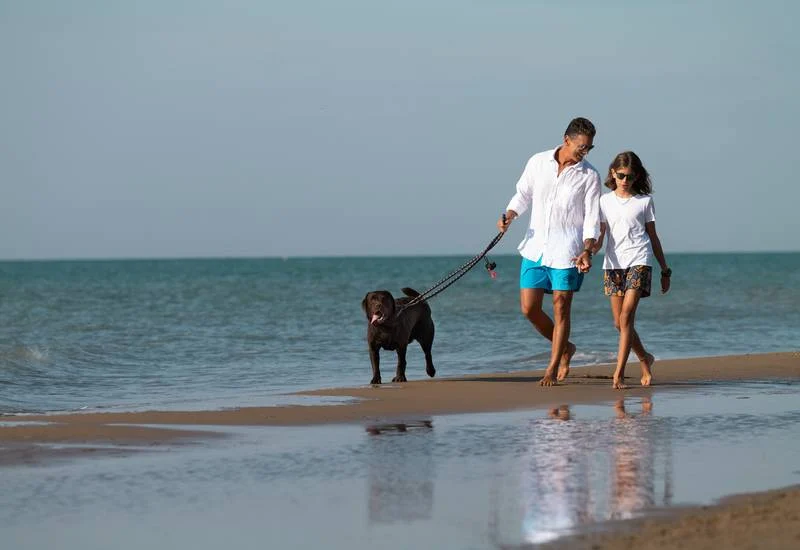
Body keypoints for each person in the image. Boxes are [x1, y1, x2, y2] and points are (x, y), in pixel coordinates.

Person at [497, 117, 601, 387]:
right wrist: (509, 215)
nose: (585, 152)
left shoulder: (589, 176)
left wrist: (588, 249)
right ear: (567, 140)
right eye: (582, 146)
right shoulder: (538, 161)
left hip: (569, 252)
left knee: (561, 308)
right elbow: (523, 194)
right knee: (529, 309)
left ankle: (552, 368)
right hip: (535, 248)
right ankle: (566, 347)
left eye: (589, 148)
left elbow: (591, 218)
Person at [591, 151, 671, 389]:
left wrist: (665, 270)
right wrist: (587, 254)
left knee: (627, 317)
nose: (625, 180)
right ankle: (645, 359)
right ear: (613, 174)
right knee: (618, 323)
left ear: (637, 177)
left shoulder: (644, 201)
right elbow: (600, 236)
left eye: (630, 176)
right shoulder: (603, 202)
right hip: (614, 264)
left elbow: (653, 237)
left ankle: (619, 374)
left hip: (640, 259)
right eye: (621, 175)